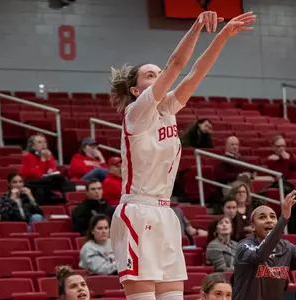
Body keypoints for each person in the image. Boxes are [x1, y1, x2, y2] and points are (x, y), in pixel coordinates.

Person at [108, 9, 256, 300]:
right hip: (138, 211)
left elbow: (195, 72)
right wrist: (198, 25)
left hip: (166, 213)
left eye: (159, 74)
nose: (161, 77)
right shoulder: (136, 113)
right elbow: (177, 64)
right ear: (137, 90)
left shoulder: (169, 109)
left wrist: (224, 36)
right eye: (151, 75)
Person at [232, 190, 296, 300]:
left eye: (272, 217)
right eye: (262, 217)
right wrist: (284, 219)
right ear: (253, 227)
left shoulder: (287, 248)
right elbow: (260, 255)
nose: (269, 220)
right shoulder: (244, 246)